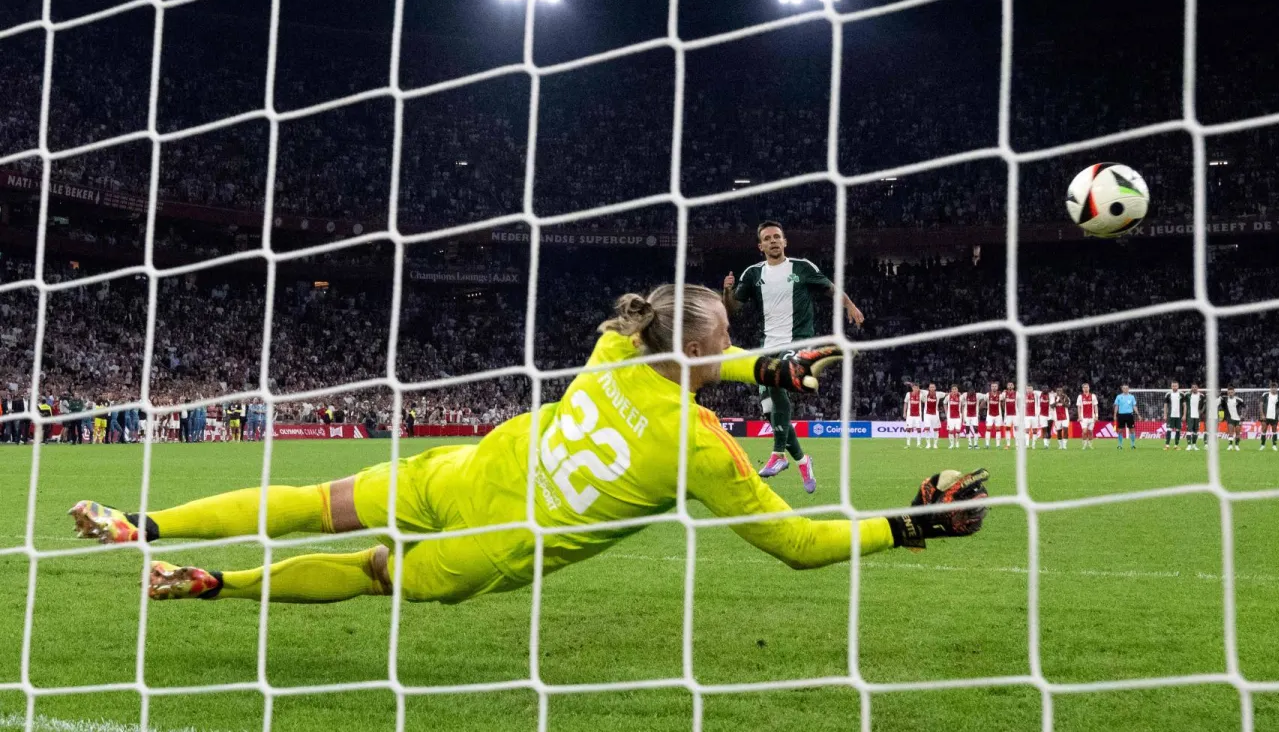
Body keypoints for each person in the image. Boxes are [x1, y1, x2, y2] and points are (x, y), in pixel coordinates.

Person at [69, 285, 989, 604]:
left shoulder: (613, 348)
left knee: (316, 500)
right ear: (707, 356)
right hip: (496, 544)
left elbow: (688, 349)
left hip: (468, 468)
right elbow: (798, 546)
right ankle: (218, 587)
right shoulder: (700, 447)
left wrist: (763, 369)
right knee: (366, 571)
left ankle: (143, 524)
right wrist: (905, 527)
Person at [722, 221, 865, 494]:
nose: (774, 241)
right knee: (769, 412)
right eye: (768, 238)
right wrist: (727, 290)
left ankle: (778, 455)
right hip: (768, 345)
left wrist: (851, 306)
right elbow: (732, 310)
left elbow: (831, 288)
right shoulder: (753, 274)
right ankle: (802, 460)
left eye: (778, 236)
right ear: (760, 246)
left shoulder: (802, 267)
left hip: (798, 341)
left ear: (785, 242)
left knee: (775, 379)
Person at [1113, 384, 1136, 450]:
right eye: (1124, 388)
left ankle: (1133, 445)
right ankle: (1120, 445)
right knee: (1120, 430)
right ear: (1122, 389)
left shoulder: (1132, 397)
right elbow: (1116, 406)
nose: (1125, 389)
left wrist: (1138, 414)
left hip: (1129, 415)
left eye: (1126, 388)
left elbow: (1134, 406)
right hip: (1121, 415)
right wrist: (1114, 415)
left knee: (1132, 430)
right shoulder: (1118, 396)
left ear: (1128, 389)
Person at [1259, 382, 1279, 451]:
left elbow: (1278, 407)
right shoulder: (1265, 395)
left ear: (1276, 389)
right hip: (1265, 416)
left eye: (1275, 388)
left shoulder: (1278, 397)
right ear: (1270, 388)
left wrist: (1277, 414)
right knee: (1264, 430)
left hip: (1274, 417)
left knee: (1274, 430)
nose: (1274, 389)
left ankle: (1274, 445)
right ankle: (1262, 445)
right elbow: (1261, 404)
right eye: (1272, 387)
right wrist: (1262, 414)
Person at [1164, 381, 1185, 450]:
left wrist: (1184, 415)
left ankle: (1176, 445)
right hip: (1171, 415)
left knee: (1178, 430)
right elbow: (1165, 405)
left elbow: (1184, 405)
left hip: (1179, 416)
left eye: (1175, 386)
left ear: (1178, 386)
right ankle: (1167, 445)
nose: (1174, 387)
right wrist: (1165, 414)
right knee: (1169, 430)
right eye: (1173, 386)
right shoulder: (1168, 394)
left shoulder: (1182, 394)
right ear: (1171, 386)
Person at [1076, 384, 1098, 450]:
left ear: (1089, 388)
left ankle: (1090, 444)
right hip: (1083, 417)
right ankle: (1084, 444)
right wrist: (1079, 416)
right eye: (1084, 387)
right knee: (1085, 431)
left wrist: (1096, 416)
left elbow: (1095, 406)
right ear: (1082, 389)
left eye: (1087, 387)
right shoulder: (1080, 396)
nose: (1086, 388)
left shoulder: (1093, 396)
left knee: (1090, 431)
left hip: (1092, 417)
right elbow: (1079, 407)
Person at [921, 382, 941, 450]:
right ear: (929, 388)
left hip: (935, 414)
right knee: (927, 428)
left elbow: (948, 394)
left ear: (935, 388)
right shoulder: (925, 393)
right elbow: (917, 389)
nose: (932, 388)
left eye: (933, 387)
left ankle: (935, 444)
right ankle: (928, 444)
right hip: (927, 414)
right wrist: (910, 384)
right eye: (930, 387)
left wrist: (958, 393)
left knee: (936, 429)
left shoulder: (939, 394)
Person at [982, 381, 1002, 449]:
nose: (994, 388)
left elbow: (1003, 403)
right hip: (990, 415)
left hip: (998, 415)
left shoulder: (1000, 395)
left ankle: (998, 445)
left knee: (998, 429)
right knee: (988, 429)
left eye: (995, 386)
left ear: (997, 387)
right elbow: (982, 403)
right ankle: (987, 445)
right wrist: (984, 408)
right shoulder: (988, 394)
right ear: (990, 387)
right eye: (993, 386)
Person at [1185, 384, 1205, 451]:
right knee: (1189, 430)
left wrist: (1201, 411)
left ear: (1197, 388)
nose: (1194, 388)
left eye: (1195, 387)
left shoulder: (1201, 396)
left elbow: (1205, 404)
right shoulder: (1187, 395)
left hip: (1197, 416)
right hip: (1190, 415)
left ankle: (1194, 445)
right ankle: (1188, 445)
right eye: (1192, 387)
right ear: (1191, 388)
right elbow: (1183, 404)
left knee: (1196, 431)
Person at [960, 386, 980, 450]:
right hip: (967, 416)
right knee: (967, 429)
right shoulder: (965, 395)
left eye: (972, 391)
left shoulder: (977, 395)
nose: (971, 392)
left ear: (974, 391)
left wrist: (980, 407)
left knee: (976, 429)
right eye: (970, 391)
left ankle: (976, 444)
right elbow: (959, 399)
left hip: (974, 415)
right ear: (968, 391)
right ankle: (970, 444)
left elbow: (985, 397)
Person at [1223, 387, 1243, 451]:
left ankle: (1237, 446)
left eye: (1231, 392)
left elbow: (1246, 407)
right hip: (1230, 418)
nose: (1230, 394)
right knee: (1230, 432)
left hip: (1238, 418)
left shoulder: (1239, 400)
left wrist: (1243, 415)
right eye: (1229, 392)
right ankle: (1230, 446)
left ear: (1234, 392)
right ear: (1227, 393)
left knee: (1238, 433)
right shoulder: (1225, 399)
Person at [944, 385, 962, 450]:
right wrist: (946, 412)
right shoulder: (948, 397)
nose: (954, 390)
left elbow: (963, 405)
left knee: (958, 431)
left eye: (955, 389)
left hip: (958, 416)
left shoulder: (961, 397)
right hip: (950, 417)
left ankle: (957, 443)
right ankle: (951, 444)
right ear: (951, 390)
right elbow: (944, 403)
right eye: (953, 389)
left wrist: (962, 413)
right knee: (950, 431)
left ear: (957, 390)